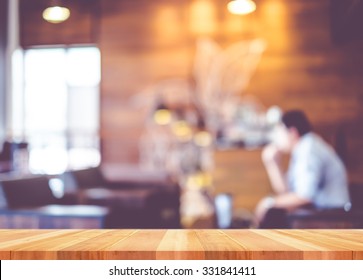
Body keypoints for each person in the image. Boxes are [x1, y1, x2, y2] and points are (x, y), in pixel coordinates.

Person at [255, 110, 350, 228]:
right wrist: (273, 163)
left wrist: (269, 203)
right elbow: (286, 192)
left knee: (272, 214)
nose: (277, 138)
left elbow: (305, 196)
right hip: (321, 212)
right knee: (274, 212)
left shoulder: (309, 149)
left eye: (279, 132)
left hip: (331, 215)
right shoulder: (302, 149)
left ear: (292, 132)